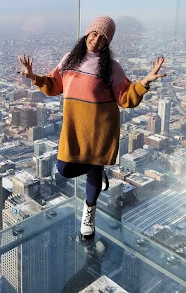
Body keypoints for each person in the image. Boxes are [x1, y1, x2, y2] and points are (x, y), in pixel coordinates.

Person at [18, 15, 165, 240]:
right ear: (87, 33)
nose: (96, 40)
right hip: (75, 128)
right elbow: (54, 85)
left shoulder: (112, 68)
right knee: (65, 169)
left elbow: (126, 98)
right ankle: (95, 167)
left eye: (103, 38)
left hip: (100, 130)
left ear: (107, 43)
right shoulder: (69, 59)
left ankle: (89, 213)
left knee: (93, 172)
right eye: (94, 34)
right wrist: (33, 77)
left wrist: (145, 82)